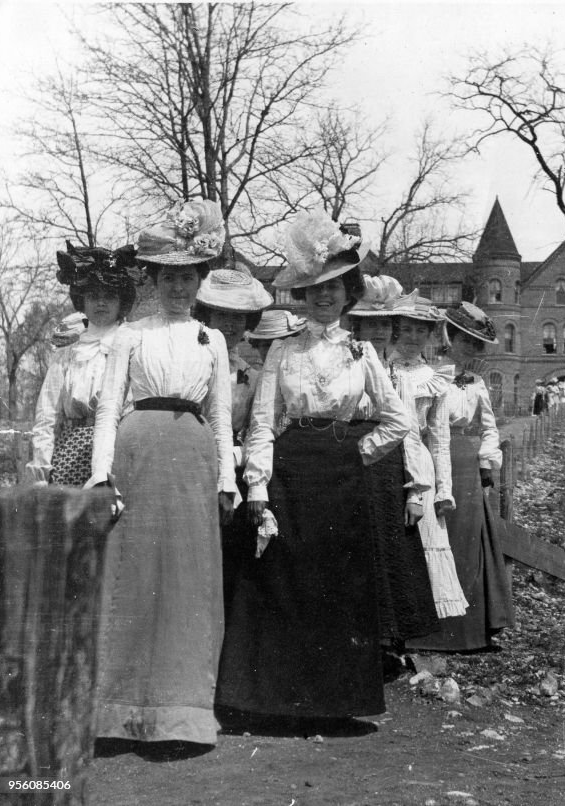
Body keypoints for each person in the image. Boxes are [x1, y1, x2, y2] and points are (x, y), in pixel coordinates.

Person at [217, 210, 411, 727]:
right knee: (284, 583)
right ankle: (277, 704)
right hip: (290, 472)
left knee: (338, 586)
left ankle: (333, 705)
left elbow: (398, 420)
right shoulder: (282, 348)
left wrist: (360, 452)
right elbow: (261, 424)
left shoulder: (362, 350)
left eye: (334, 288)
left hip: (343, 476)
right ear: (302, 296)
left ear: (349, 294)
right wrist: (256, 485)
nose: (324, 297)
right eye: (314, 290)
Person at [87, 199, 235, 746]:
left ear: (199, 280)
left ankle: (184, 715)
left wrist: (227, 480)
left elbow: (220, 414)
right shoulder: (130, 335)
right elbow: (108, 408)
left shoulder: (212, 338)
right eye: (169, 277)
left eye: (188, 277)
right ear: (153, 279)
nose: (179, 287)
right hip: (138, 454)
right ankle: (118, 713)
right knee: (132, 577)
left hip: (194, 459)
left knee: (189, 581)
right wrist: (101, 475)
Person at [408, 301, 514, 651]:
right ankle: (432, 632)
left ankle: (469, 633)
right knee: (435, 540)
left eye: (476, 344)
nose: (471, 350)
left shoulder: (477, 383)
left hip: (467, 470)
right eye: (465, 340)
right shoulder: (428, 374)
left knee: (469, 545)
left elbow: (489, 428)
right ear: (448, 337)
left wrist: (487, 462)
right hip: (434, 462)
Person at [347, 274, 440, 646]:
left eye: (385, 324)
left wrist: (417, 490)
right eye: (370, 324)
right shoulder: (345, 365)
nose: (379, 332)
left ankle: (389, 641)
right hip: (353, 463)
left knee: (392, 553)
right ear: (356, 326)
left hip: (390, 469)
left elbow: (411, 436)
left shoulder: (397, 374)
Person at [192, 266, 273, 617]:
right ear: (207, 315)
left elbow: (257, 430)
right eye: (222, 315)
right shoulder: (190, 361)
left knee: (229, 562)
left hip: (232, 475)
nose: (230, 324)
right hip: (191, 468)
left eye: (238, 317)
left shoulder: (251, 377)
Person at [384, 293, 469, 620]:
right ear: (395, 329)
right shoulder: (378, 368)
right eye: (407, 329)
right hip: (383, 459)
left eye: (421, 330)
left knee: (421, 539)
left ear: (431, 334)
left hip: (419, 464)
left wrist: (443, 489)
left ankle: (420, 626)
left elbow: (439, 438)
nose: (413, 336)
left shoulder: (435, 377)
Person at [26, 242, 139, 487]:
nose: (101, 303)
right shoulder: (69, 351)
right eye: (93, 296)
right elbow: (47, 414)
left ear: (122, 301)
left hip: (118, 451)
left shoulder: (133, 346)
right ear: (82, 300)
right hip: (71, 454)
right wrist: (41, 468)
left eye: (109, 296)